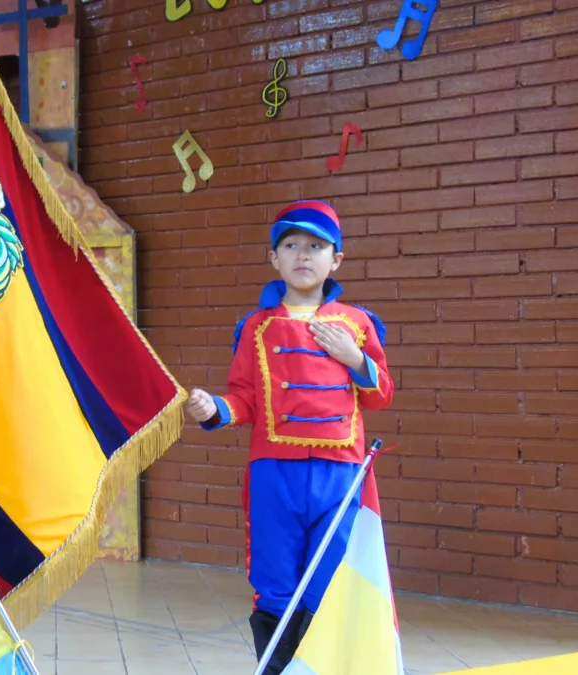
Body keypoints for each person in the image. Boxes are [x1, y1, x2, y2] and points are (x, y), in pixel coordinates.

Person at [185, 200, 394, 673]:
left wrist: (354, 358)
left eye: (316, 246)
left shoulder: (358, 325)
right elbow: (243, 400)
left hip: (339, 475)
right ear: (274, 258)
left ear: (335, 259)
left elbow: (381, 393)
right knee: (275, 581)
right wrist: (212, 408)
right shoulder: (256, 327)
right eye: (291, 244)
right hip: (274, 473)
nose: (303, 254)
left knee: (330, 580)